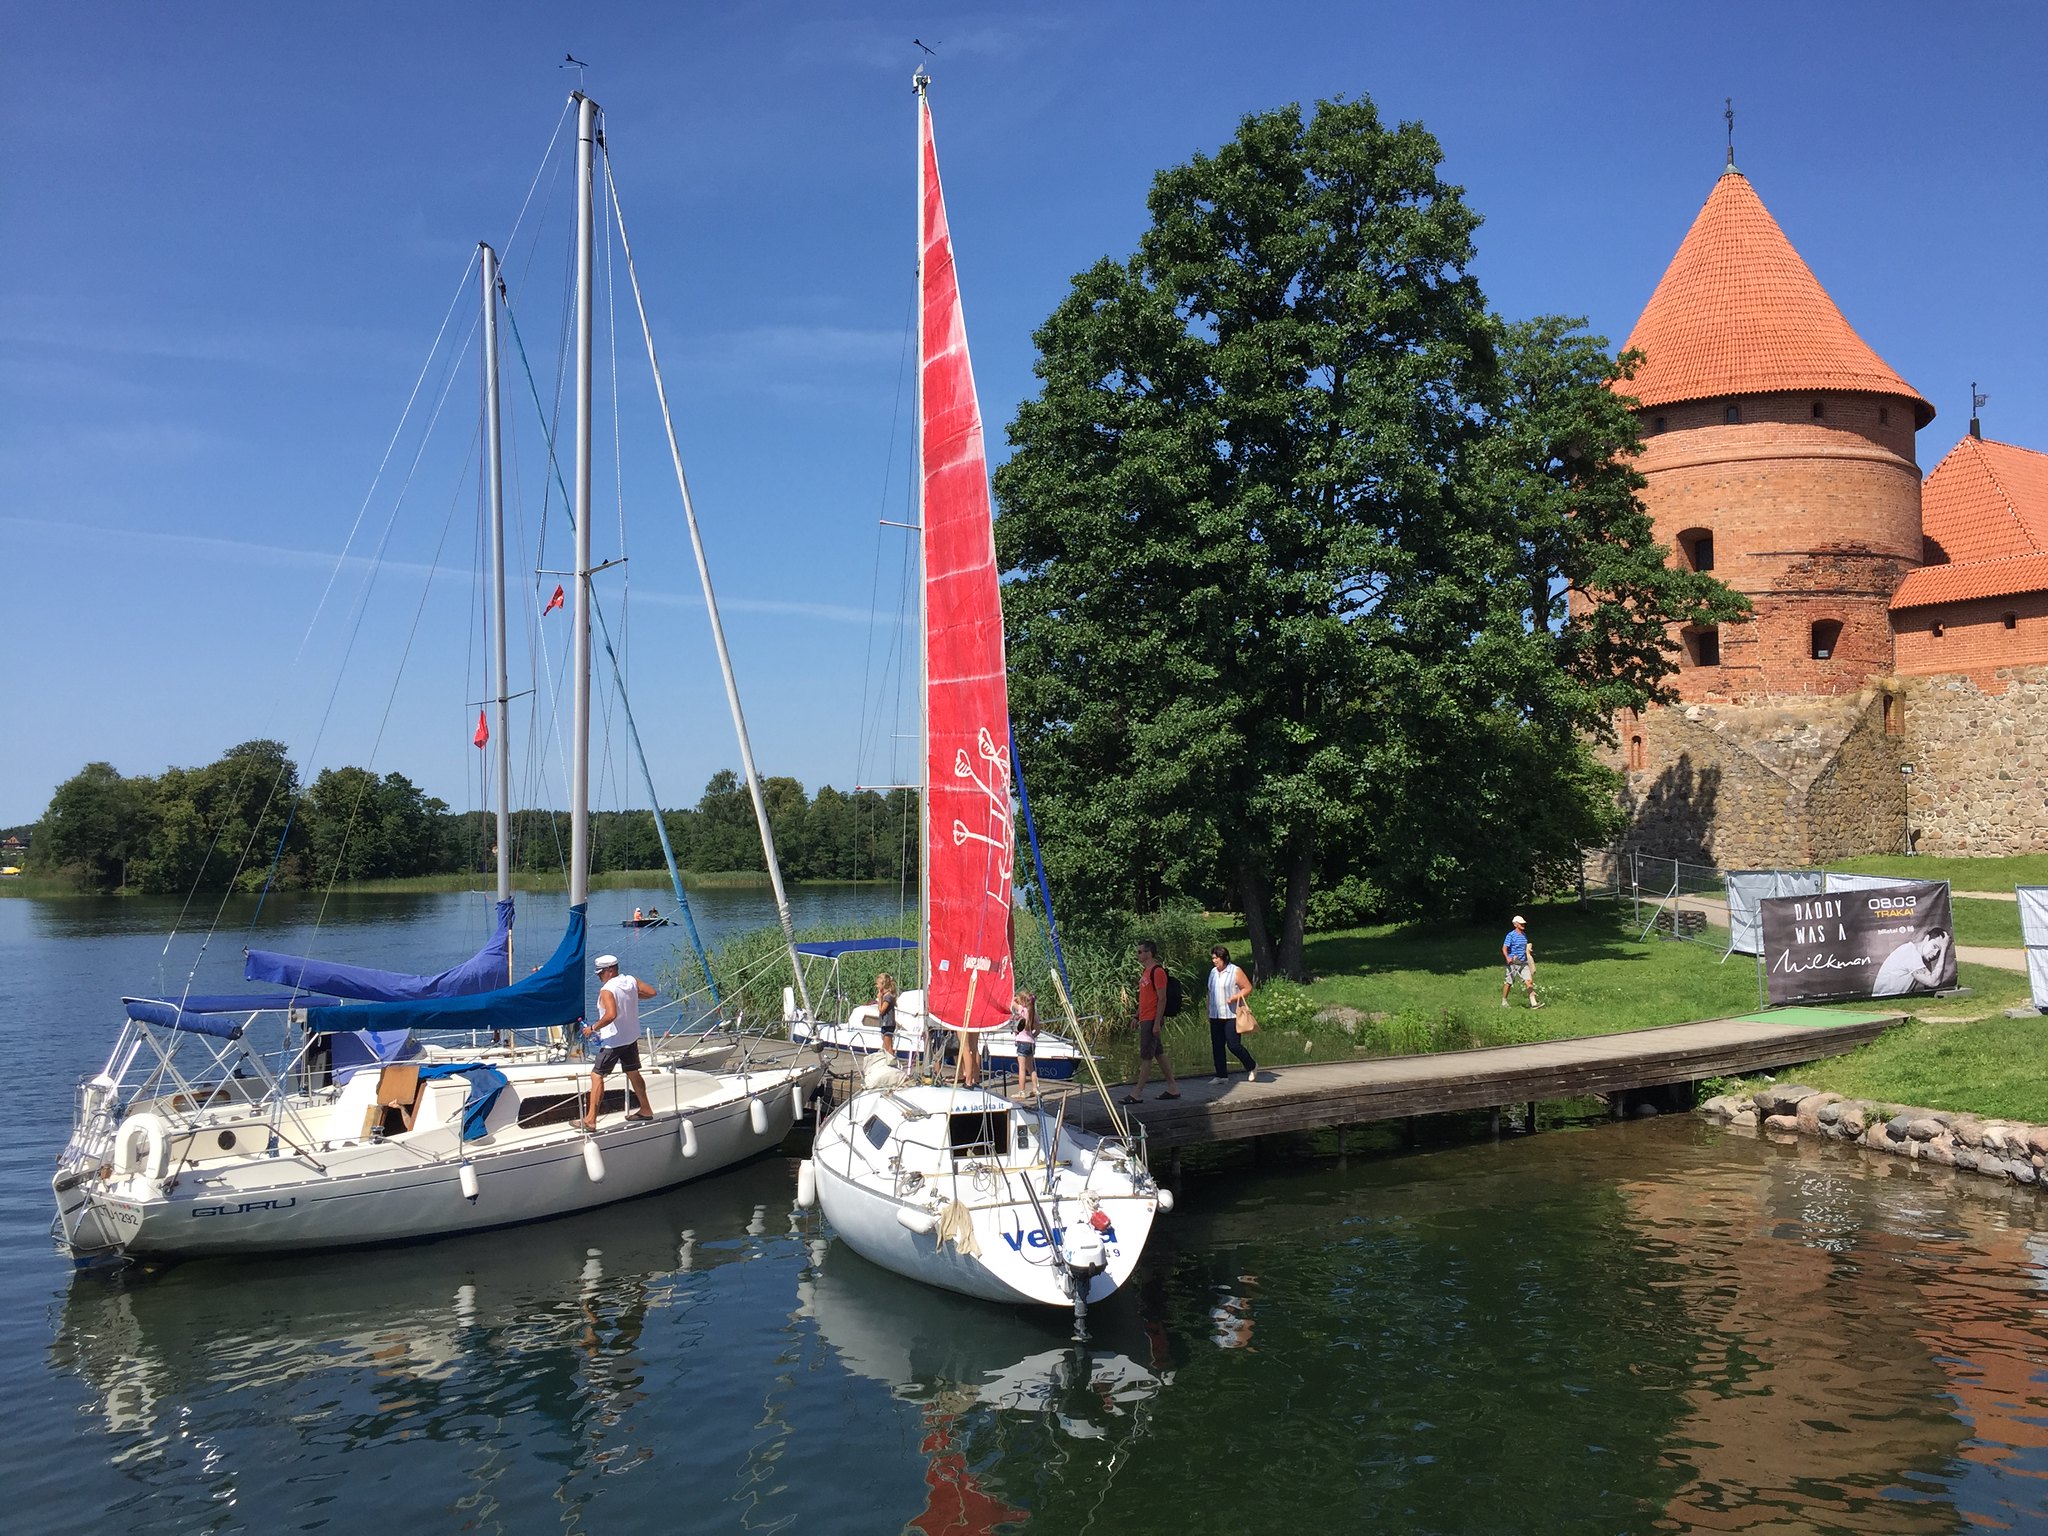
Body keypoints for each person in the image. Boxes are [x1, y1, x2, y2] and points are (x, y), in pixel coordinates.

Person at [581, 954, 656, 1128]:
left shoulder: (607, 990)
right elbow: (652, 992)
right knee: (633, 1072)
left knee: (596, 1075)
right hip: (630, 1037)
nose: (599, 977)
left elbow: (611, 1015)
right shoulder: (630, 981)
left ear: (609, 971)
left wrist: (592, 1028)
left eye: (600, 973)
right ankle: (646, 1109)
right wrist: (632, 998)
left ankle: (591, 1119)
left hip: (613, 1041)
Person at [1122, 941, 1180, 1103]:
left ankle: (1137, 1093)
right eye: (1138, 952)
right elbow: (1144, 998)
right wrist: (1136, 1016)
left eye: (1140, 952)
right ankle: (1173, 1087)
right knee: (1158, 1053)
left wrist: (1156, 1023)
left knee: (1146, 1055)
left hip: (1151, 1019)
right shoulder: (1145, 972)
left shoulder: (1157, 972)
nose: (1137, 954)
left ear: (1149, 953)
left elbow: (1162, 999)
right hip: (1144, 1017)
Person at [1205, 944, 1257, 1083]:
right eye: (1213, 958)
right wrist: (1208, 1009)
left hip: (1231, 1014)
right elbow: (1210, 992)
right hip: (1216, 1014)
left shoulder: (1235, 971)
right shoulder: (1213, 973)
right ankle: (1221, 1075)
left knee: (1233, 1045)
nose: (1214, 961)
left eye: (1217, 958)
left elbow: (1247, 988)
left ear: (1224, 958)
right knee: (1217, 1045)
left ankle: (1251, 1065)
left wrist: (1235, 997)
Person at [1871, 928, 1951, 997]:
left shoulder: (1923, 959)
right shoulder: (1910, 953)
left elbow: (1930, 988)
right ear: (1926, 939)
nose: (1935, 954)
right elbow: (1933, 982)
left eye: (1939, 952)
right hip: (1882, 1001)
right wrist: (1944, 949)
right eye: (1934, 946)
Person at [1501, 916, 1540, 1008]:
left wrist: (1528, 952)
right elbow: (1504, 948)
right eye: (1521, 923)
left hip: (1523, 962)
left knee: (1529, 981)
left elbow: (1524, 949)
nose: (1523, 925)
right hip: (1513, 962)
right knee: (1509, 982)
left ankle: (1534, 1003)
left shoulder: (1524, 935)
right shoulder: (1510, 935)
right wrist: (1507, 958)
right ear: (1515, 924)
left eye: (1523, 923)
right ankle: (1504, 1001)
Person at [1012, 991, 1041, 1098]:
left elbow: (1011, 1001)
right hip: (1031, 1042)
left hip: (1022, 1042)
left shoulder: (1022, 1010)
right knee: (1031, 1068)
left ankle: (1021, 1091)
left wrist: (1018, 999)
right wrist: (1032, 1036)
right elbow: (1038, 1031)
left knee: (1022, 1068)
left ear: (1023, 1002)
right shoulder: (1034, 1014)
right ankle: (1035, 1089)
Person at [874, 971, 899, 1060]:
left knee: (888, 1047)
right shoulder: (887, 995)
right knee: (885, 1045)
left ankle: (892, 1061)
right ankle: (887, 1061)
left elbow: (881, 1011)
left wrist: (879, 998)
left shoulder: (888, 997)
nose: (876, 986)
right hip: (886, 1023)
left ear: (883, 984)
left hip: (887, 1024)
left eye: (877, 984)